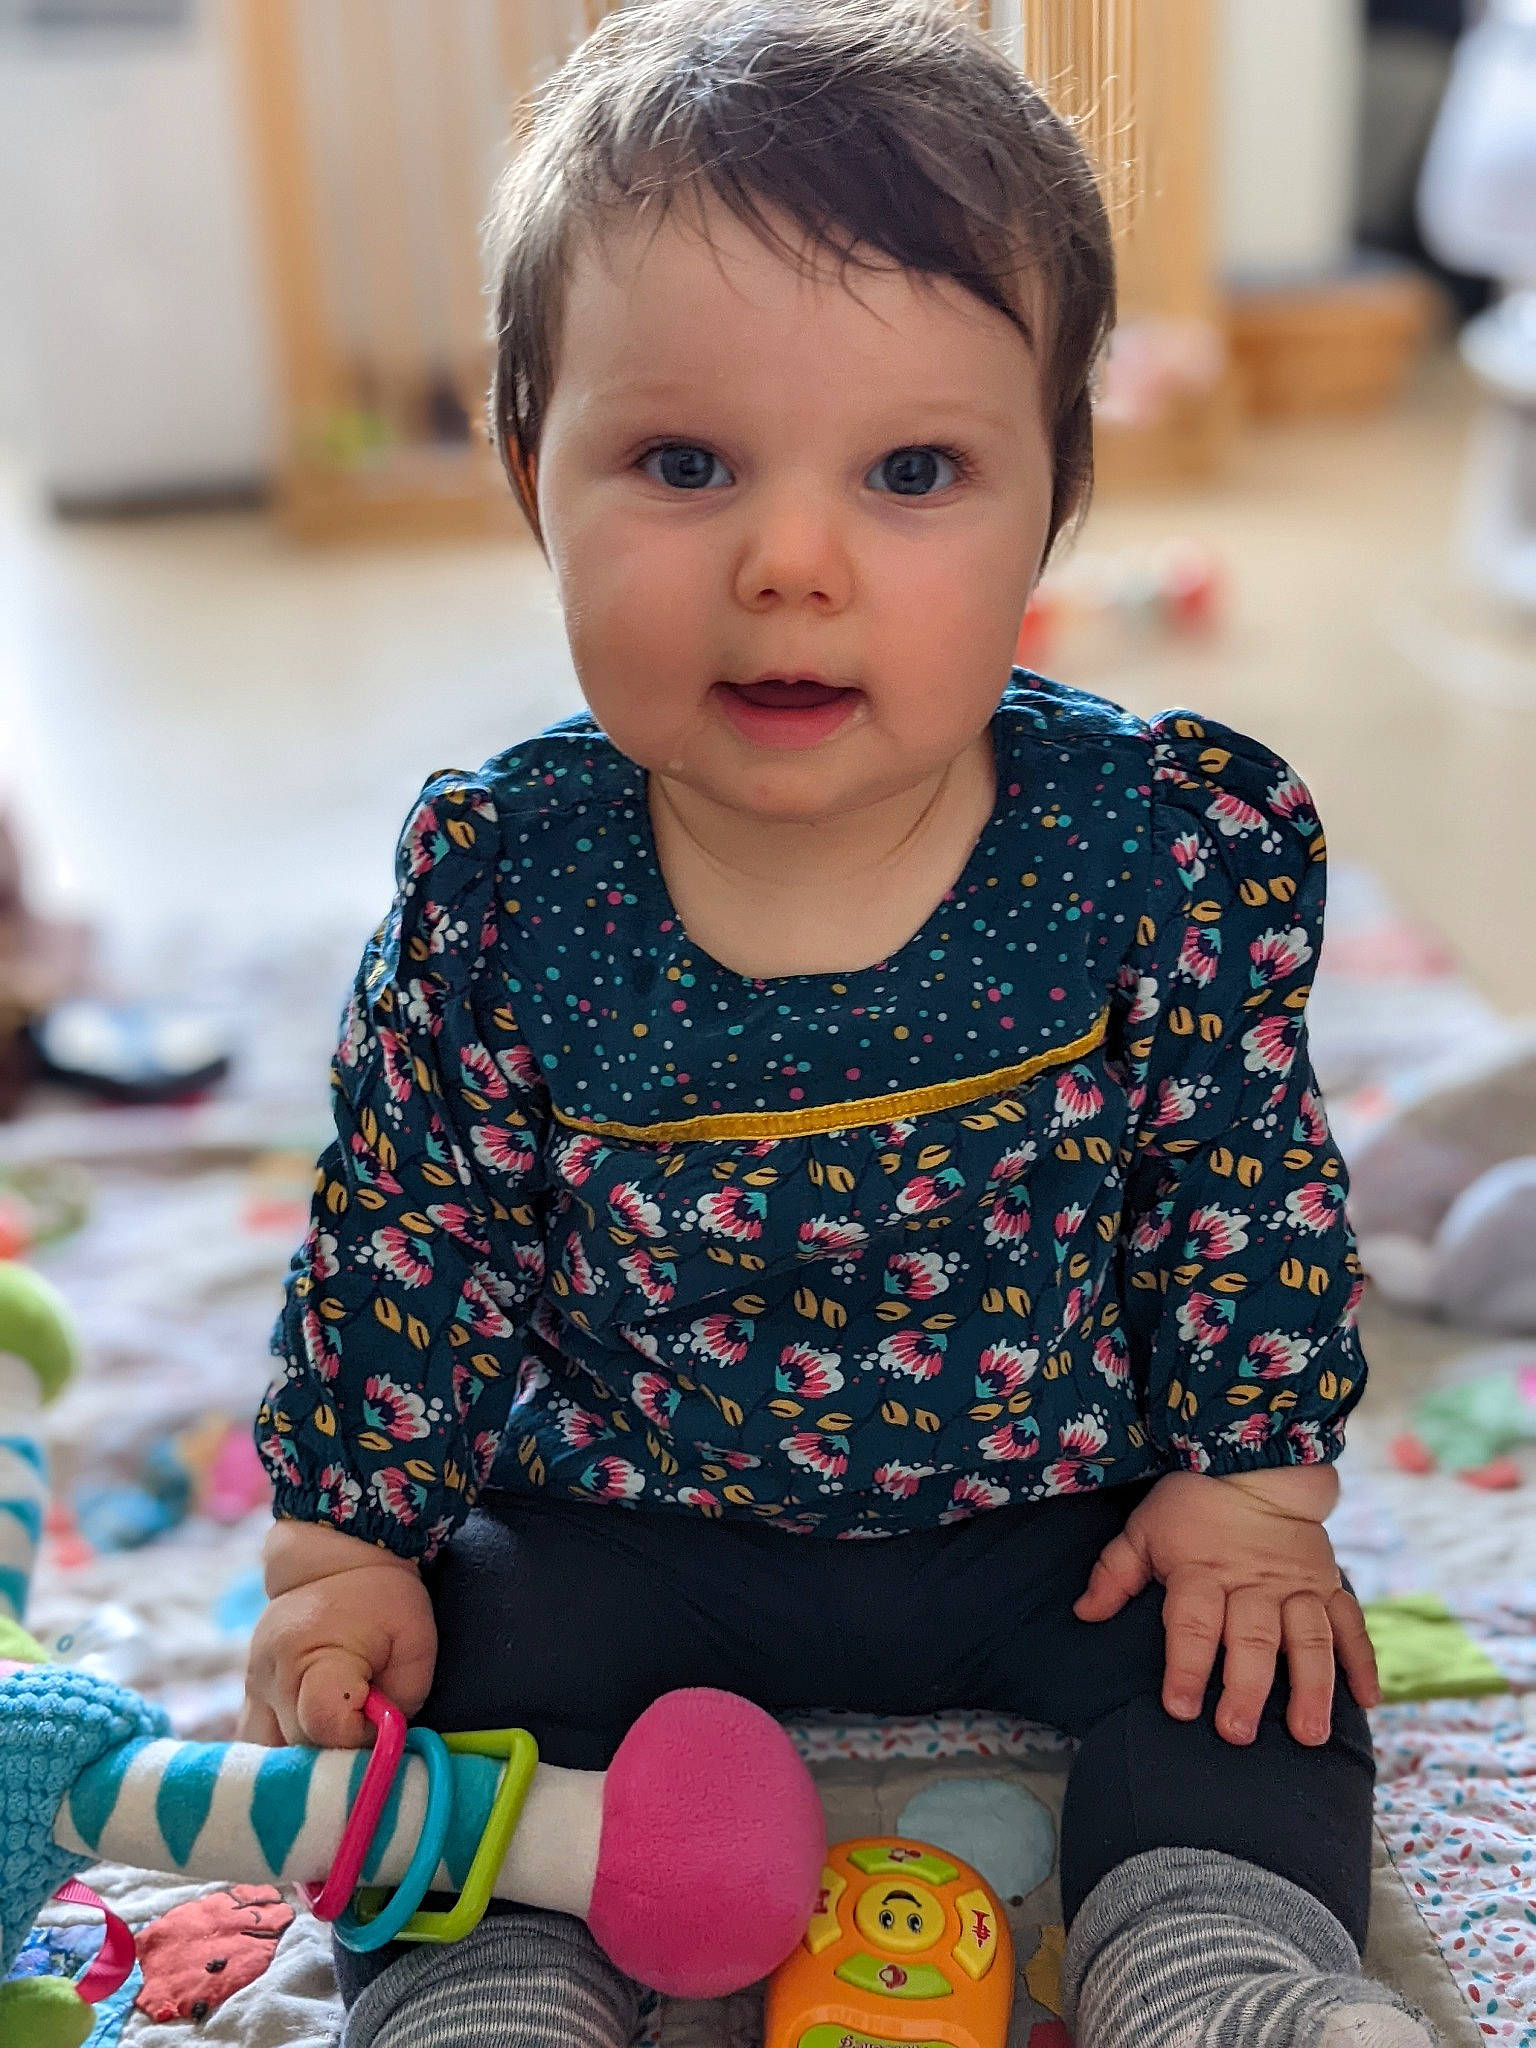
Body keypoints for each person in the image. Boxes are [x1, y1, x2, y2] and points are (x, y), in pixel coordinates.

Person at [242, 4, 1432, 2043]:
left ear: (1054, 495)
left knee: (1256, 1661)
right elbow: (411, 1234)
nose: (791, 564)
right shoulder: (505, 884)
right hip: (631, 1521)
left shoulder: (1155, 844)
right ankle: (491, 1988)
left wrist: (1250, 1492)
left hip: (1058, 1507)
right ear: (533, 474)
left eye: (912, 473)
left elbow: (1238, 1187)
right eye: (684, 464)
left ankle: (1213, 1966)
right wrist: (339, 1547)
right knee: (454, 1667)